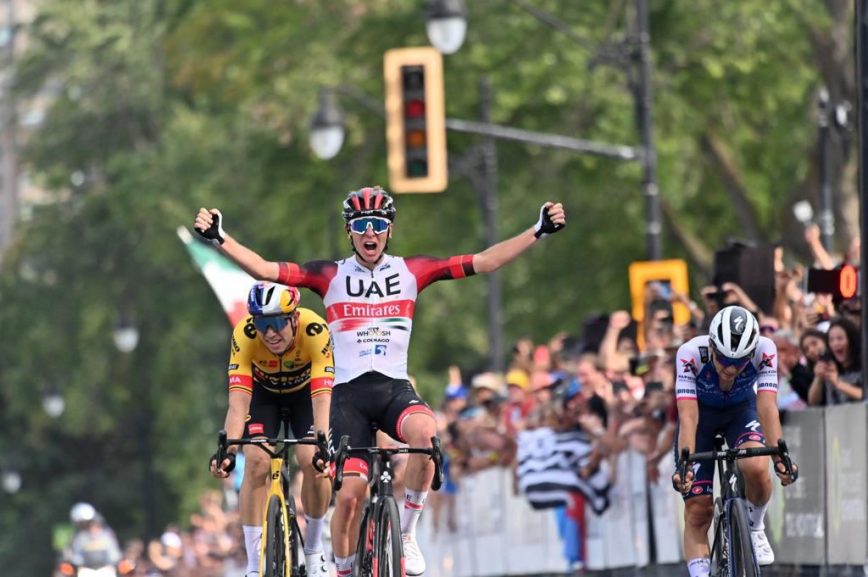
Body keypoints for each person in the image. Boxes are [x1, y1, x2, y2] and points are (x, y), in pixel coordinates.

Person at [194, 185, 566, 576]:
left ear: (389, 230)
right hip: (346, 396)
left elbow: (486, 261)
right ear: (349, 231)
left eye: (377, 225)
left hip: (393, 388)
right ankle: (342, 569)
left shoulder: (412, 270)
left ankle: (406, 535)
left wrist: (537, 229)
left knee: (426, 434)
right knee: (352, 496)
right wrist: (221, 238)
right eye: (361, 226)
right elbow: (268, 271)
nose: (369, 233)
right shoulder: (330, 274)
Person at [210, 282, 333, 577]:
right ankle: (254, 565)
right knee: (255, 462)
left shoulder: (315, 331)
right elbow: (238, 404)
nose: (270, 333)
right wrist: (228, 451)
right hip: (264, 397)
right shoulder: (244, 335)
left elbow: (323, 396)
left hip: (307, 396)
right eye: (262, 324)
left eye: (278, 322)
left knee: (310, 460)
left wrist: (323, 444)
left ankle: (315, 550)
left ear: (294, 318)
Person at [670, 306, 798, 577]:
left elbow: (767, 408)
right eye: (723, 359)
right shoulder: (691, 354)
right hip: (701, 418)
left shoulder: (766, 350)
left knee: (756, 467)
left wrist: (779, 457)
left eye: (738, 362)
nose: (729, 368)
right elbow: (688, 415)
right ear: (712, 347)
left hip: (741, 412)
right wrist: (686, 465)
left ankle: (755, 527)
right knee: (698, 511)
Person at [66, 502, 122, 570]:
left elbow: (114, 553)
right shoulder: (79, 537)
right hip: (85, 569)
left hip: (107, 569)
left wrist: (115, 562)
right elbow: (76, 555)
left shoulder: (106, 534)